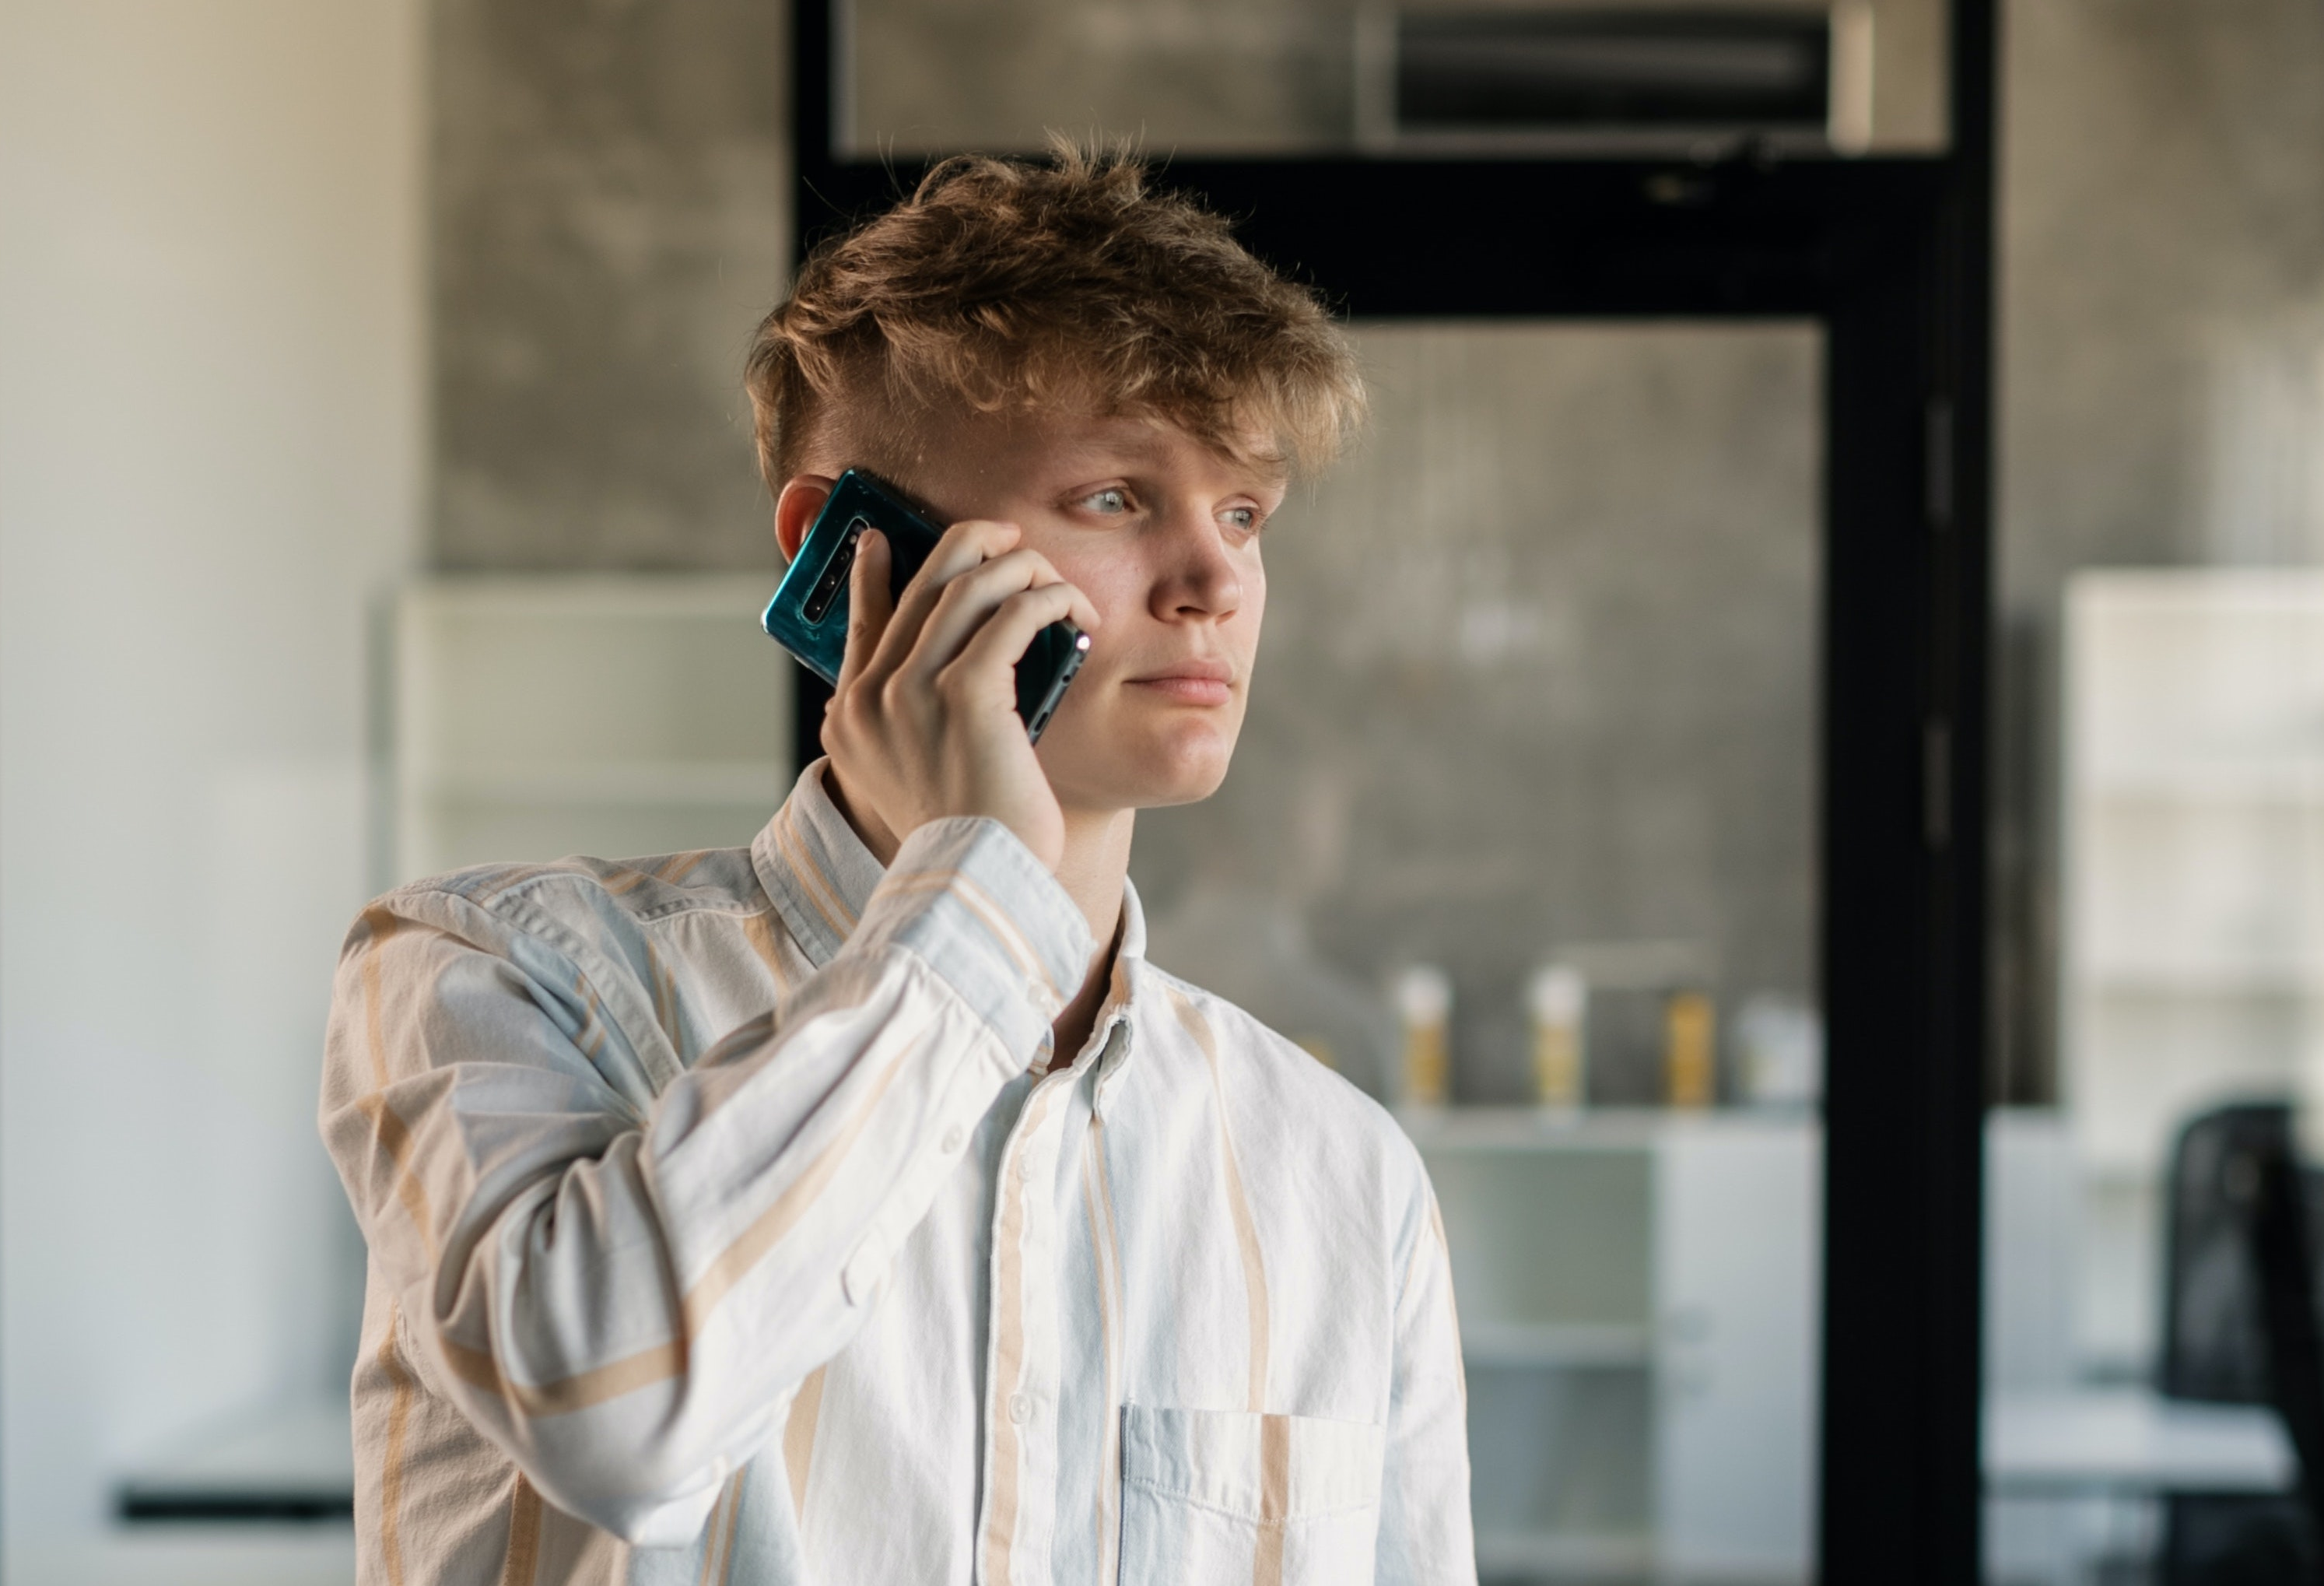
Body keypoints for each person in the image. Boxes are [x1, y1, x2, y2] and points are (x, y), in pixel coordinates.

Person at [320, 142, 1474, 1586]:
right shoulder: (487, 973)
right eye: (1117, 496)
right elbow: (619, 1416)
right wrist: (972, 885)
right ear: (850, 550)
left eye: (1243, 511)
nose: (1217, 579)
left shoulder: (1340, 1174)